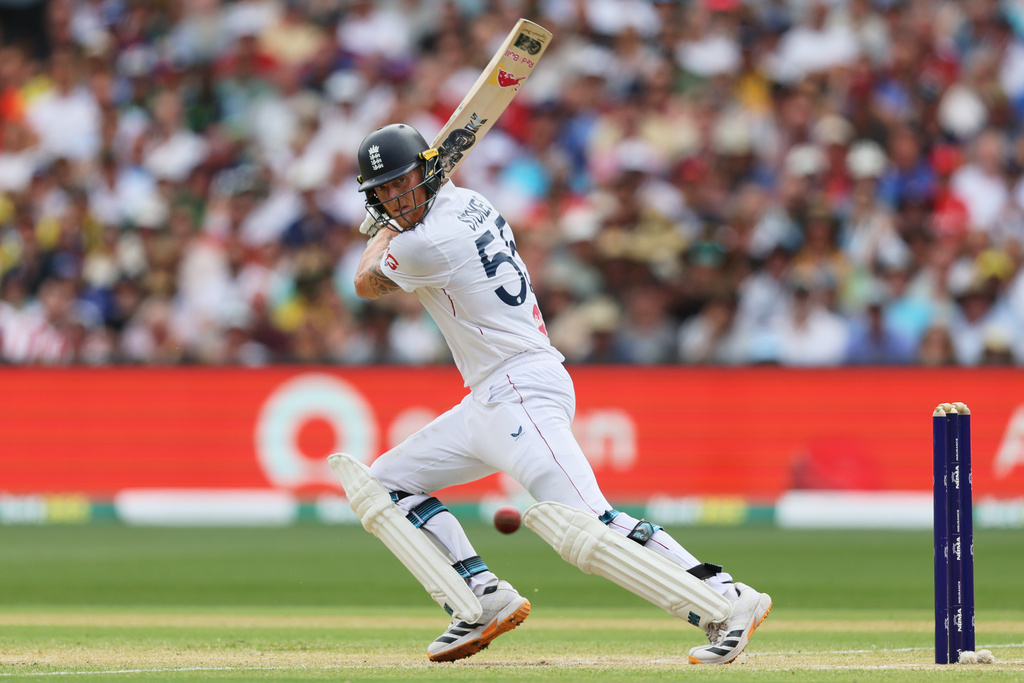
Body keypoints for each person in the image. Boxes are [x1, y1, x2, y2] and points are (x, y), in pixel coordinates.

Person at [349, 123, 771, 664]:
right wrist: (394, 223)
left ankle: (728, 598)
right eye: (382, 190)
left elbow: (363, 283)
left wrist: (380, 231)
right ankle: (481, 597)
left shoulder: (426, 243)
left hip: (520, 390)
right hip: (491, 397)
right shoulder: (469, 201)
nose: (394, 198)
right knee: (387, 485)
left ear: (429, 172)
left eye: (401, 182)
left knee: (589, 524)